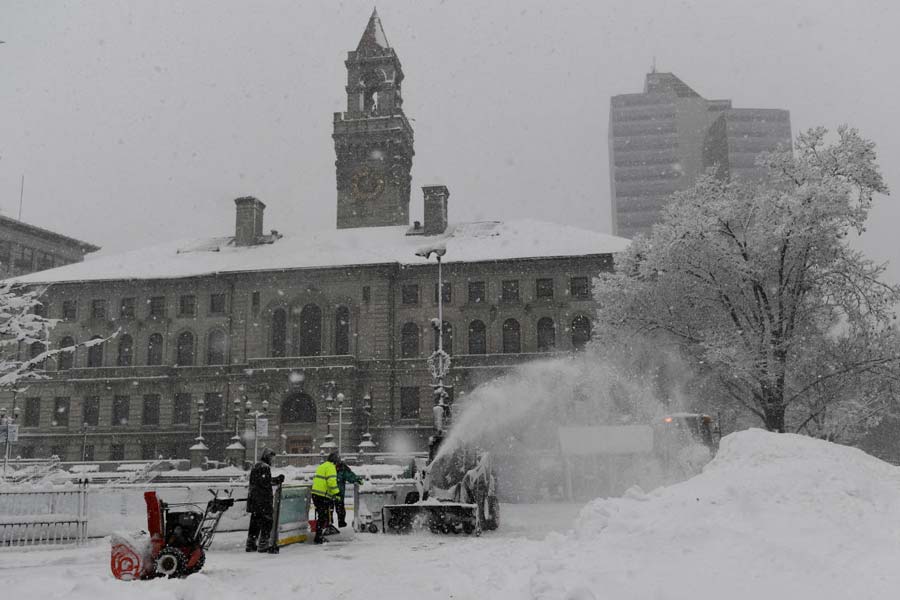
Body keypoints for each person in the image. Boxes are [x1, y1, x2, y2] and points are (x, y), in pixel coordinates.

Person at [246, 447, 285, 553]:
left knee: (255, 522)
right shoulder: (264, 467)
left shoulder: (257, 465)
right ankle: (263, 544)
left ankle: (251, 543)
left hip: (254, 500)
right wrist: (277, 480)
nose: (273, 460)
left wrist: (274, 480)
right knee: (267, 522)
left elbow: (262, 481)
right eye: (272, 458)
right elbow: (265, 483)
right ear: (267, 457)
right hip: (262, 500)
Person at [311, 451, 340, 544]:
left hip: (316, 494)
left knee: (322, 515)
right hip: (322, 495)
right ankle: (318, 537)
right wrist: (336, 493)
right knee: (323, 516)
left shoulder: (322, 466)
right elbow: (331, 482)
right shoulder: (331, 467)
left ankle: (319, 535)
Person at [334, 460, 364, 528]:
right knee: (336, 509)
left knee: (338, 509)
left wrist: (357, 479)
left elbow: (350, 476)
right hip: (334, 493)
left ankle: (340, 524)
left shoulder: (342, 469)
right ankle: (332, 524)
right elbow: (349, 476)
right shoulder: (333, 468)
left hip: (336, 493)